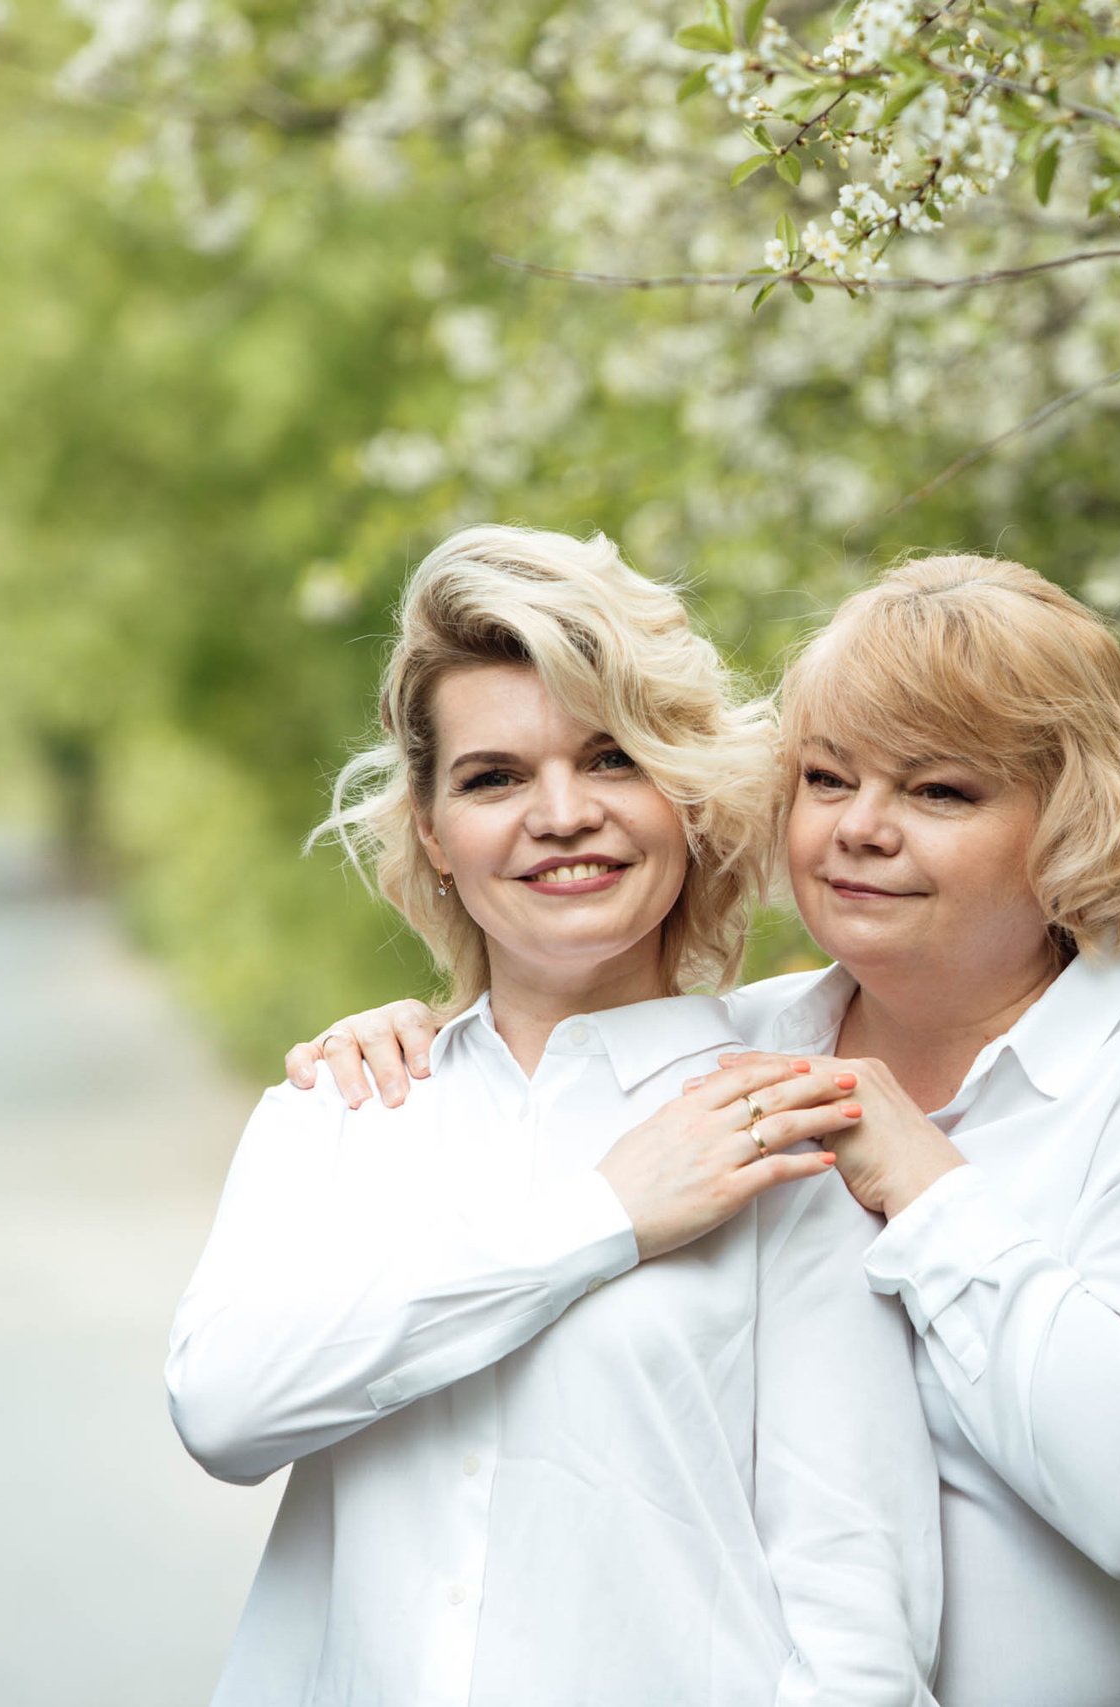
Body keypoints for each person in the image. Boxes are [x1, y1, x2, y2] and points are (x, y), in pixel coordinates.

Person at [293, 555, 1120, 1707]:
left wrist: (929, 1187)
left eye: (939, 793)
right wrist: (424, 1039)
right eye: (828, 779)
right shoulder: (740, 1056)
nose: (860, 830)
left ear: (1074, 819)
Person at [173, 526, 941, 1707]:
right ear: (432, 827)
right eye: (494, 778)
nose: (562, 813)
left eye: (612, 760)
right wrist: (602, 1216)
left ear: (681, 797)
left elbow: (854, 1595)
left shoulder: (780, 1126)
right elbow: (226, 1411)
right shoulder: (344, 1105)